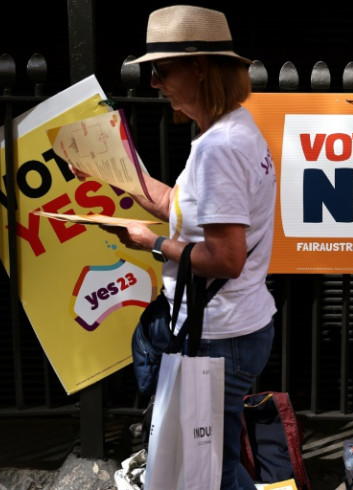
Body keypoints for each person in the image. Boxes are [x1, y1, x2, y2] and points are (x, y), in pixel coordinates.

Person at [71, 5, 277, 489]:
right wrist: (112, 174)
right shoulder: (234, 129)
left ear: (200, 68)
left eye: (161, 71)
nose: (154, 84)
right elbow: (178, 203)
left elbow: (225, 259)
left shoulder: (218, 148)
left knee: (211, 474)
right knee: (203, 467)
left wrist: (152, 242)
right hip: (235, 328)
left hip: (219, 336)